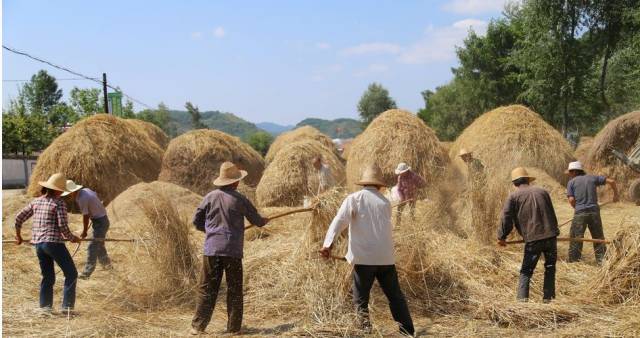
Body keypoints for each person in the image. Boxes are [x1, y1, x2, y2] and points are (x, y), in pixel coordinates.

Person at [320, 164, 415, 336]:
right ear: (379, 185)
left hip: (365, 259)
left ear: (364, 184)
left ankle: (365, 331)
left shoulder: (354, 199)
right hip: (386, 258)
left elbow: (339, 221)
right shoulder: (385, 202)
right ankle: (407, 331)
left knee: (360, 299)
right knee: (395, 297)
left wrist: (328, 244)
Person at [190, 162, 269, 335]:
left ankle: (198, 327)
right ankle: (233, 328)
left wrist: (209, 230)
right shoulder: (240, 200)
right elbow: (256, 220)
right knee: (234, 289)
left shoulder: (209, 197)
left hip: (211, 250)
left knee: (207, 288)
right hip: (232, 250)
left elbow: (196, 221)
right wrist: (264, 220)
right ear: (236, 182)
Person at [14, 173, 81, 314]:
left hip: (39, 245)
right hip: (53, 243)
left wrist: (18, 236)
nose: (63, 192)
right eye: (62, 189)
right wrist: (72, 238)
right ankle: (67, 308)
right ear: (57, 190)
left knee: (48, 276)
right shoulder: (59, 203)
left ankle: (45, 308)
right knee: (71, 273)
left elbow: (18, 218)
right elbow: (63, 226)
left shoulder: (36, 202)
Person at [498, 167, 559, 302]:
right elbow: (551, 212)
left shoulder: (513, 197)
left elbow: (506, 218)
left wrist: (502, 237)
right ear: (527, 180)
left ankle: (522, 301)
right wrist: (554, 231)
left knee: (526, 271)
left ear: (514, 183)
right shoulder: (543, 191)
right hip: (550, 236)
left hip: (533, 239)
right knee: (550, 267)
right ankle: (548, 299)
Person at [565, 161, 619, 264]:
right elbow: (612, 181)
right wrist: (616, 195)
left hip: (580, 213)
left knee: (576, 238)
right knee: (598, 237)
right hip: (594, 212)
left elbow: (571, 200)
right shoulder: (592, 178)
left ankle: (574, 261)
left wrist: (577, 209)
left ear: (574, 172)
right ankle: (602, 261)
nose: (570, 175)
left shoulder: (571, 182)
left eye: (570, 172)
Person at [62, 180, 112, 279]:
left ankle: (86, 273)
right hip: (101, 219)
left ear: (73, 191)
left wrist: (84, 231)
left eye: (69, 193)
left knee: (92, 246)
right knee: (99, 244)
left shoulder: (82, 199)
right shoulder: (86, 190)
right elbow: (95, 196)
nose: (68, 196)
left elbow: (86, 216)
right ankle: (107, 266)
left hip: (100, 222)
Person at [459, 149, 488, 229]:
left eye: (463, 157)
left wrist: (473, 188)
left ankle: (482, 224)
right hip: (477, 188)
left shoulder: (474, 163)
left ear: (468, 155)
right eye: (462, 157)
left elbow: (478, 177)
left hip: (479, 189)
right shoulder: (471, 163)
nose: (463, 159)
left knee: (479, 206)